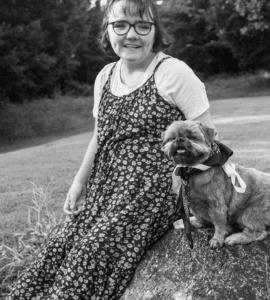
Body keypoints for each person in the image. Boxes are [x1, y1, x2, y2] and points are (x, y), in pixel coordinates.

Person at [8, 0, 217, 299]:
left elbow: (208, 139)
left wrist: (181, 190)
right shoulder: (105, 76)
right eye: (121, 25)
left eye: (142, 26)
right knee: (56, 249)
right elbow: (100, 136)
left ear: (155, 31)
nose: (131, 34)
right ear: (108, 31)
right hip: (105, 190)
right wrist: (80, 182)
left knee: (88, 257)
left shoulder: (174, 73)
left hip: (151, 193)